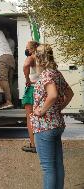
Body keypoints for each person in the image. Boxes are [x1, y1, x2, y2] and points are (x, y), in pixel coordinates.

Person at [30, 44, 74, 189]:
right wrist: (59, 107)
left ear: (38, 58)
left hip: (44, 126)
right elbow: (70, 93)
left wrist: (41, 111)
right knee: (57, 164)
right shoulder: (56, 73)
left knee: (48, 168)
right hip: (56, 124)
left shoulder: (46, 74)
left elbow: (53, 95)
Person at [21, 41, 40, 153]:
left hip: (33, 88)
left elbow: (25, 65)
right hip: (43, 88)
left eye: (28, 48)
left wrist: (27, 79)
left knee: (30, 117)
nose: (27, 50)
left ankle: (33, 144)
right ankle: (43, 144)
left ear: (34, 48)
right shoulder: (43, 58)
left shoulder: (31, 57)